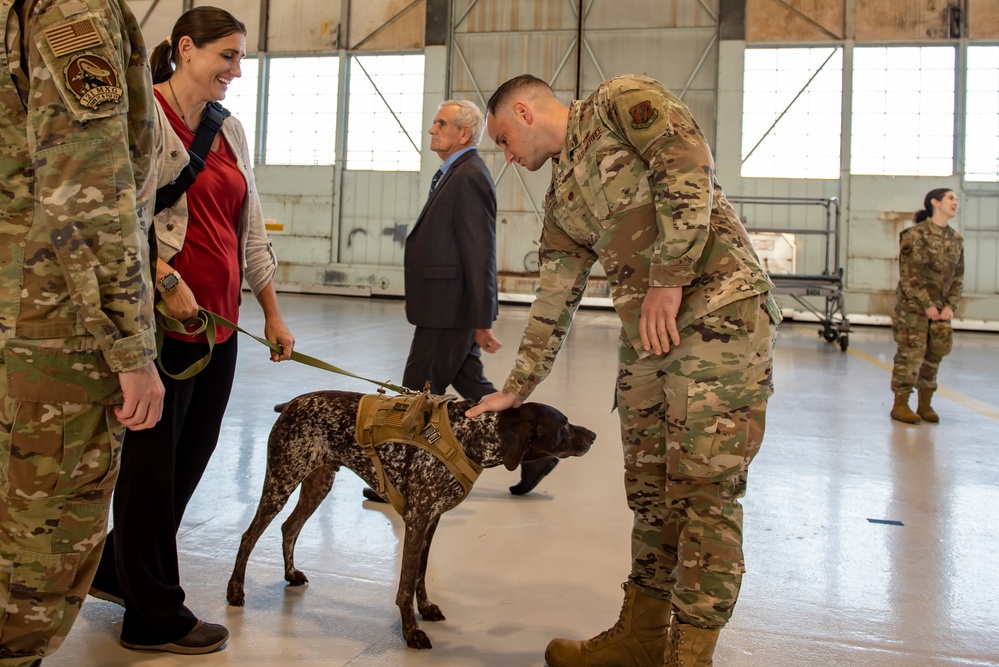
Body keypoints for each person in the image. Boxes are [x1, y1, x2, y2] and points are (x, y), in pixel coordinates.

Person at [468, 74, 781, 667]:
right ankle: (642, 635)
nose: (507, 156)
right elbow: (554, 294)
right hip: (649, 338)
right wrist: (516, 387)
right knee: (651, 490)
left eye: (505, 139)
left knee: (703, 491)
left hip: (717, 309)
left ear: (525, 112)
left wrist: (670, 275)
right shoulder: (562, 197)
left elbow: (685, 164)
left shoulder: (620, 102)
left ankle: (690, 655)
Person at [88, 6, 295, 656]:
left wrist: (271, 307)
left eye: (240, 57)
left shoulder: (226, 127)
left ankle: (119, 571)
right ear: (185, 49)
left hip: (220, 326)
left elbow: (250, 225)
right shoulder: (139, 118)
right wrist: (163, 278)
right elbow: (111, 220)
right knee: (149, 469)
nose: (237, 70)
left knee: (188, 461)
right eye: (226, 56)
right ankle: (154, 614)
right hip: (156, 326)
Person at [0, 0, 165, 664]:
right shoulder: (74, 11)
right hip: (57, 332)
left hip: (17, 313)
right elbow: (87, 188)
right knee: (40, 555)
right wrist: (131, 349)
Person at [361, 99, 558, 503]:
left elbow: (478, 250)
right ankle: (535, 453)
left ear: (464, 133)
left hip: (451, 310)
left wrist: (482, 317)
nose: (432, 130)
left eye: (440, 123)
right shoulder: (455, 172)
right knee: (474, 387)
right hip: (442, 303)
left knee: (414, 395)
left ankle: (400, 479)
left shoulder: (469, 175)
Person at [889, 188, 963, 424]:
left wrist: (950, 305)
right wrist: (927, 304)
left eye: (956, 199)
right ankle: (900, 404)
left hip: (941, 310)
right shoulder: (915, 235)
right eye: (951, 198)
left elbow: (958, 277)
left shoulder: (956, 239)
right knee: (910, 355)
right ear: (935, 202)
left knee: (934, 355)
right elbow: (909, 275)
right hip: (914, 309)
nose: (955, 202)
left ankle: (925, 404)